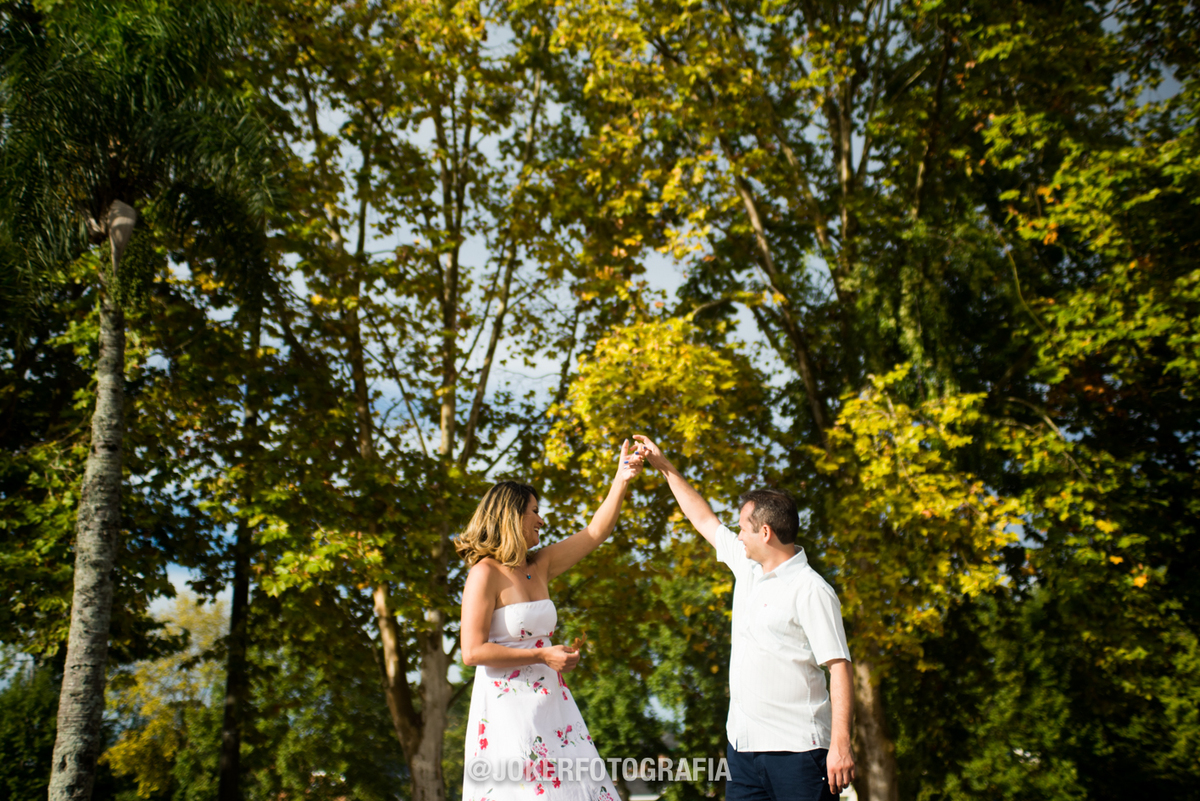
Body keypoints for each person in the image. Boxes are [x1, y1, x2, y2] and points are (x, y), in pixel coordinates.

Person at [632, 435, 856, 801]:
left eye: (743, 528)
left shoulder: (810, 589)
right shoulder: (748, 568)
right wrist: (665, 467)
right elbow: (702, 517)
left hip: (799, 752)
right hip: (743, 751)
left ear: (765, 533)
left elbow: (839, 667)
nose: (737, 535)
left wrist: (841, 745)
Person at [457, 441, 644, 801]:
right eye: (534, 511)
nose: (542, 520)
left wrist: (621, 479)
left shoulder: (540, 564)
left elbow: (595, 533)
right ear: (511, 517)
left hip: (553, 705)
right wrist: (543, 656)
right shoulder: (484, 574)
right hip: (508, 711)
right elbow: (472, 651)